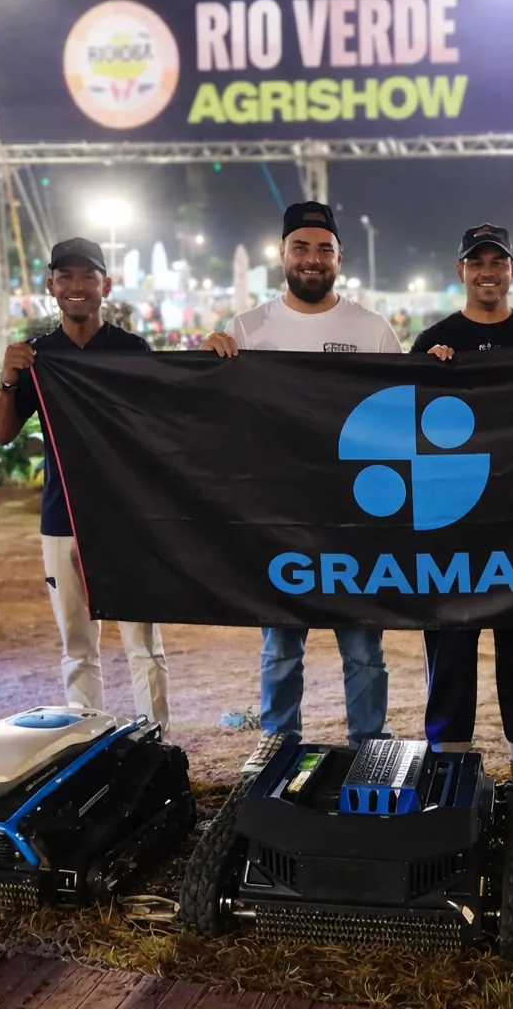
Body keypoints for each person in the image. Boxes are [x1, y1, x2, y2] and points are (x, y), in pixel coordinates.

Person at [201, 201, 400, 761]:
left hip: (356, 518)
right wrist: (208, 366)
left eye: (323, 250)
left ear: (339, 257)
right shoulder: (247, 329)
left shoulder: (372, 328)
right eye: (301, 248)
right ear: (282, 254)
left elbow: (397, 414)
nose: (312, 260)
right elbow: (220, 420)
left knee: (363, 645)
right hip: (279, 518)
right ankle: (277, 741)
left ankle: (369, 745)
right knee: (282, 644)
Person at [410, 223, 513, 776]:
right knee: (450, 636)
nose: (487, 272)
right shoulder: (432, 341)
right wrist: (423, 374)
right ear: (460, 271)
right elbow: (404, 423)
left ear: (512, 271)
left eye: (497, 262)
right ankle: (448, 747)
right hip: (450, 519)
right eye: (476, 262)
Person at [0, 237, 171, 738]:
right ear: (51, 285)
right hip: (62, 519)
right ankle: (86, 747)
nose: (75, 287)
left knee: (144, 646)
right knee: (77, 646)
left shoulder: (132, 352)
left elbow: (164, 423)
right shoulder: (37, 357)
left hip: (127, 522)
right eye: (65, 277)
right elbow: (3, 434)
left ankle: (155, 745)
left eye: (86, 277)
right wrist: (7, 379)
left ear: (104, 285)